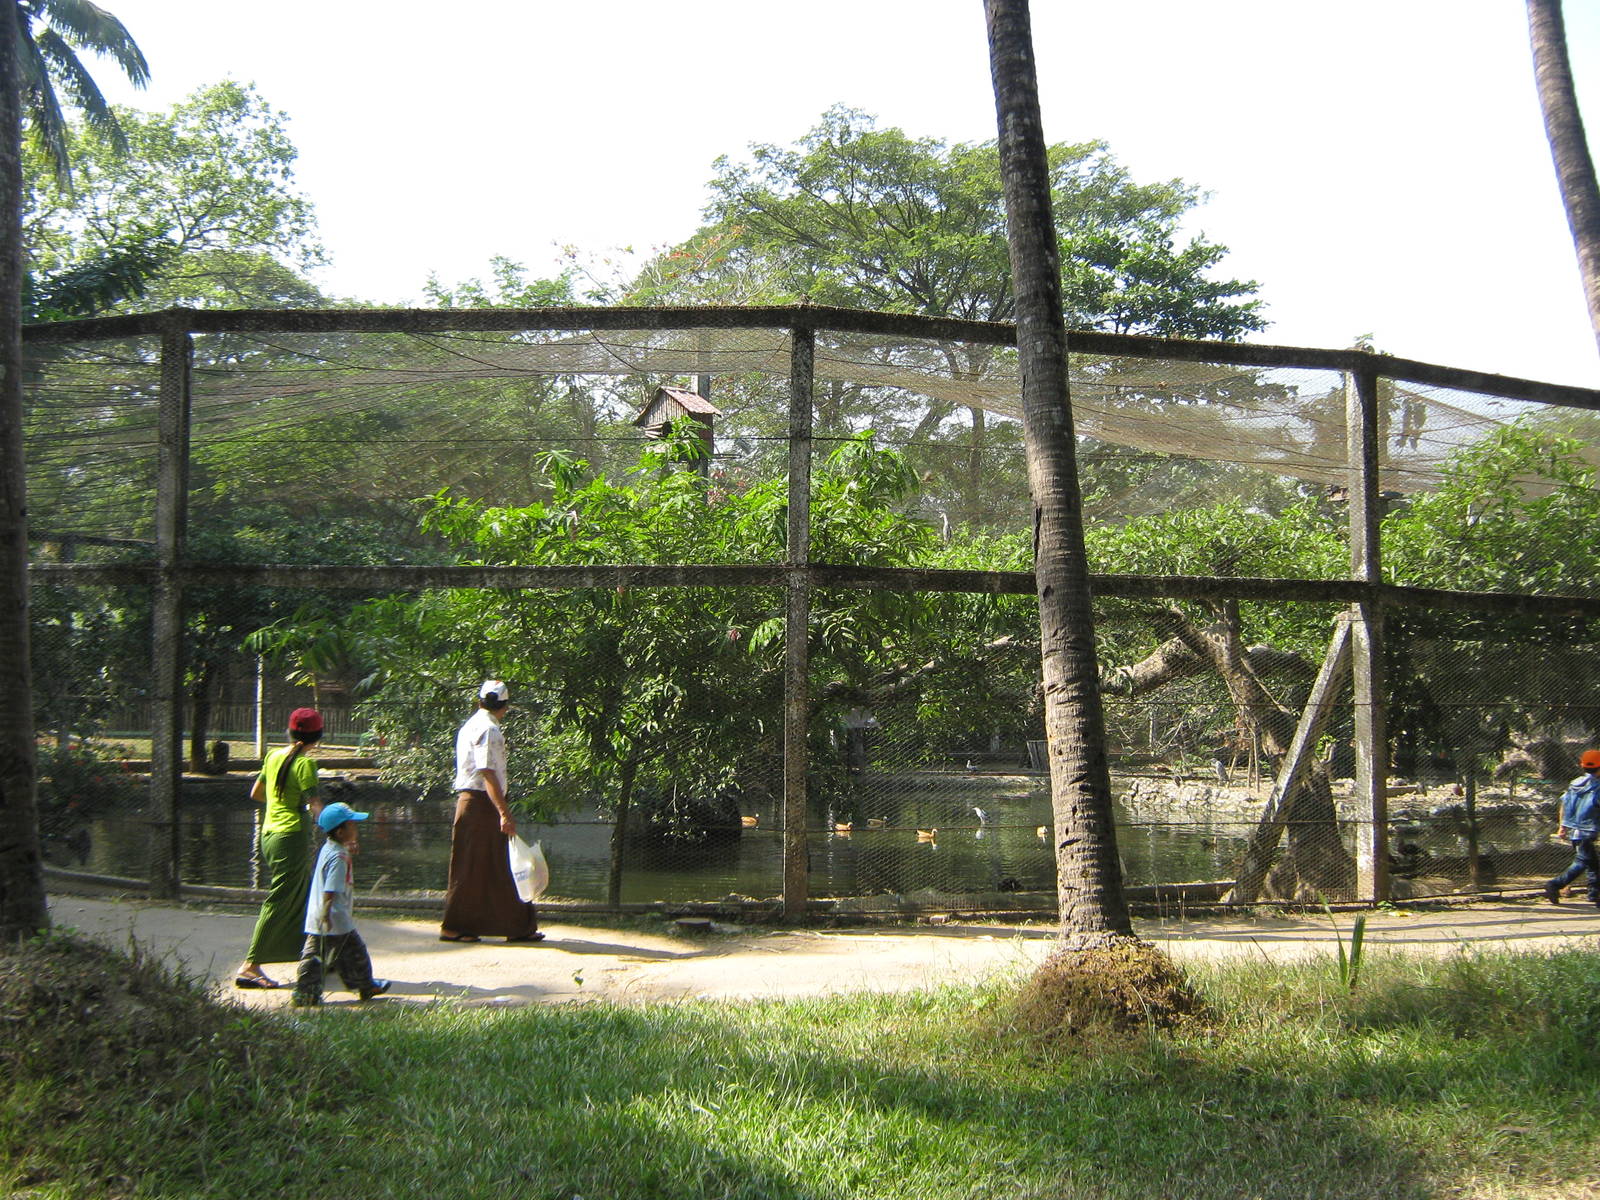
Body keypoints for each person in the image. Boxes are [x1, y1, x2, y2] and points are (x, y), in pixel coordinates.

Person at [439, 679, 543, 943]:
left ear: (479, 701)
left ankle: (518, 926)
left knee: (496, 864)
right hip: (482, 804)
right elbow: (487, 772)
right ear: (505, 706)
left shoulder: (471, 725)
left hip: (475, 803)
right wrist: (504, 812)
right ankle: (455, 927)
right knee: (479, 866)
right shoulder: (489, 729)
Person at [235, 707, 326, 989]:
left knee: (302, 894)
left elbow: (256, 793)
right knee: (281, 898)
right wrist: (337, 828)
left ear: (290, 731)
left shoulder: (273, 755)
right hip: (291, 836)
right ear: (318, 736)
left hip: (269, 834)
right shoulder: (305, 764)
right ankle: (250, 966)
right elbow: (315, 805)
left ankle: (312, 956)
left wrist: (281, 803)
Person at [290, 801, 389, 1006]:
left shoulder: (329, 848)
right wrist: (326, 915)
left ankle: (307, 992)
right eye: (352, 825)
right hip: (334, 917)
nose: (356, 828)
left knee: (318, 955)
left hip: (321, 916)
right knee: (354, 952)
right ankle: (364, 985)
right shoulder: (339, 857)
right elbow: (331, 890)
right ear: (341, 832)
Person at [1544, 749, 1600, 907]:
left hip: (1574, 829)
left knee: (1592, 864)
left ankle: (1594, 894)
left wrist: (1562, 826)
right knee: (1583, 861)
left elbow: (1564, 804)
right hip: (1588, 829)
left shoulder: (1575, 783)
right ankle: (1555, 884)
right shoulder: (1597, 787)